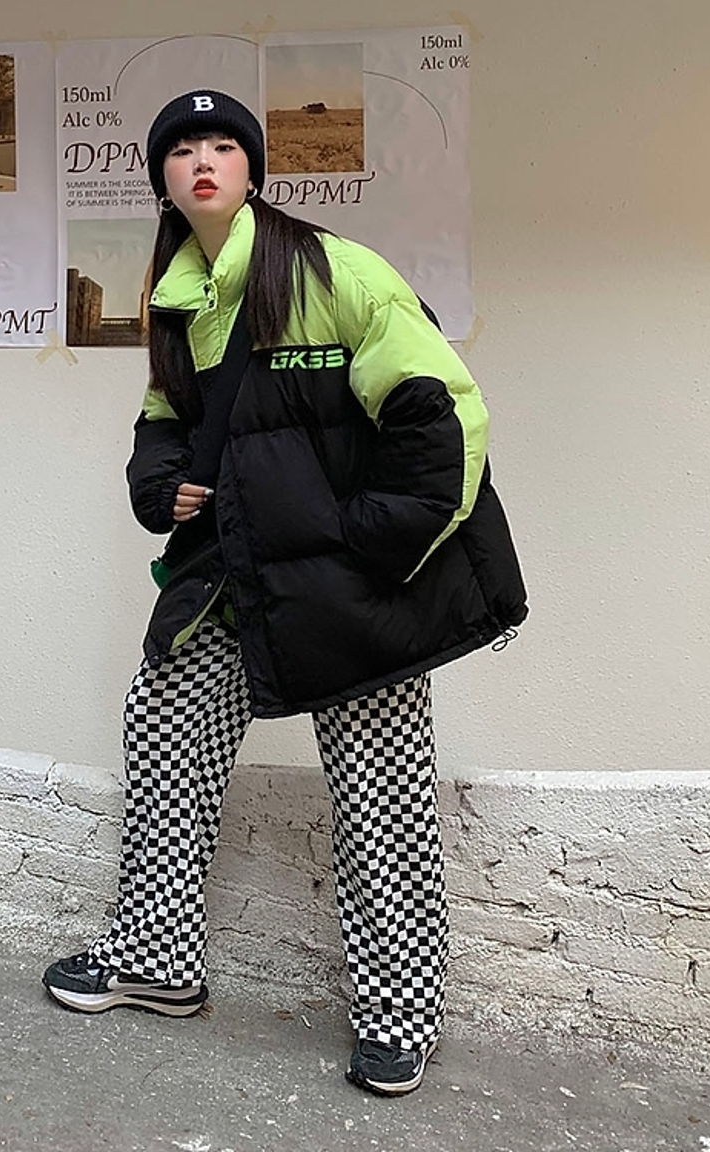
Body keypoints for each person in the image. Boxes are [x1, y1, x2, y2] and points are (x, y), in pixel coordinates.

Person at [42, 89, 527, 1097]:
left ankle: (400, 1017)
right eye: (183, 148)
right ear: (162, 179)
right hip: (233, 573)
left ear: (253, 170)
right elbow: (165, 419)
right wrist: (156, 482)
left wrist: (363, 549)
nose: (204, 160)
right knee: (165, 735)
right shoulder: (179, 297)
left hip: (356, 589)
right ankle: (155, 961)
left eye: (224, 144)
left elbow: (445, 424)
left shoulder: (336, 271)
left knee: (380, 797)